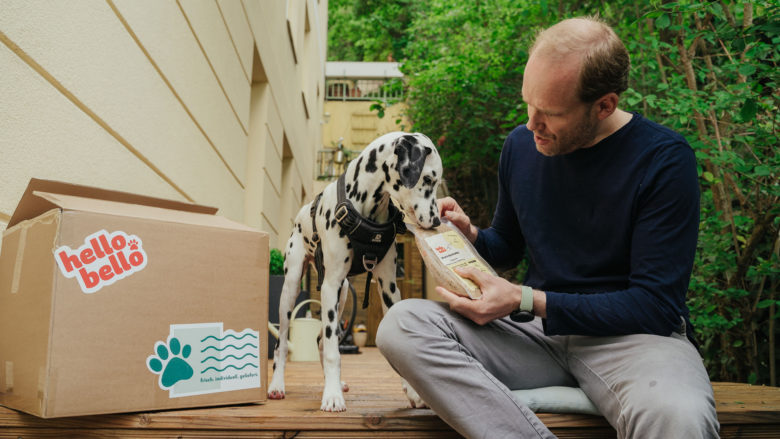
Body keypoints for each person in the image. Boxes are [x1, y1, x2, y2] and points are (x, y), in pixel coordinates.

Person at [376, 16, 720, 439]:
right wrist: (471, 235)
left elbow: (655, 305)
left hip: (634, 341)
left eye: (551, 113)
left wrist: (523, 298)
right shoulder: (521, 146)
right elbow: (507, 246)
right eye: (528, 104)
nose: (532, 123)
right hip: (535, 339)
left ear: (604, 105)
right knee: (402, 325)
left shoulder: (665, 161)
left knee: (680, 416)